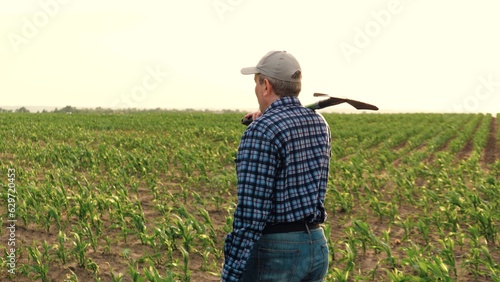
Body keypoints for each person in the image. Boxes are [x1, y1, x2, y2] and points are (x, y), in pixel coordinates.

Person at [222, 50, 332, 281]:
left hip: (278, 253)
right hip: (316, 245)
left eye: (256, 82)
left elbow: (251, 214)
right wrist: (265, 119)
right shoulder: (320, 123)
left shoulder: (262, 130)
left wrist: (232, 272)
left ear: (266, 86)